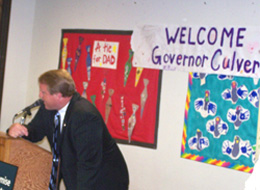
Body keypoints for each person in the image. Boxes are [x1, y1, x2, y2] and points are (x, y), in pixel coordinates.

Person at [7, 69, 129, 190]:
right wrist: (19, 130)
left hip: (104, 181)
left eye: (43, 92)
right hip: (81, 176)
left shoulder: (85, 116)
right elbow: (35, 132)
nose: (40, 96)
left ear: (58, 95)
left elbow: (88, 164)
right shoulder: (48, 108)